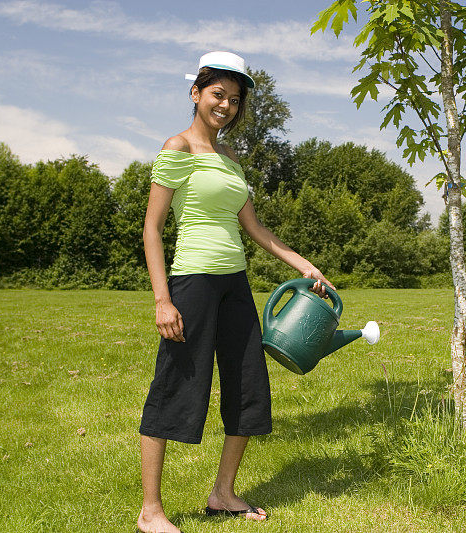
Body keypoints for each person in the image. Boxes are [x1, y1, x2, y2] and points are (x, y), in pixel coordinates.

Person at [137, 51, 334, 533]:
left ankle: (223, 493)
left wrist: (306, 265)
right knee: (176, 387)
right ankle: (150, 511)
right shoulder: (178, 148)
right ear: (196, 92)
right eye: (217, 94)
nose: (225, 104)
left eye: (234, 99)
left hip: (234, 284)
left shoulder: (230, 160)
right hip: (192, 283)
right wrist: (163, 299)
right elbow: (152, 229)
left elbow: (254, 228)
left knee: (249, 387)